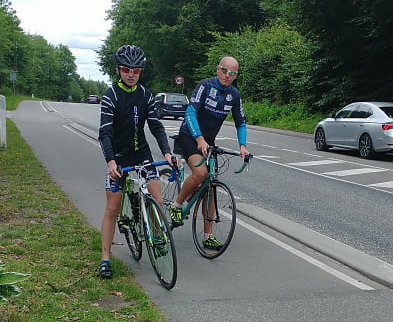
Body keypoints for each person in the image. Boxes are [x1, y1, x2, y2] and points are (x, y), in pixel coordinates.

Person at [98, 45, 173, 279]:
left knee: (157, 199)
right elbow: (105, 133)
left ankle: (157, 236)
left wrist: (167, 153)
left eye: (136, 71)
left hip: (142, 154)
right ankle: (105, 258)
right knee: (112, 209)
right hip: (118, 157)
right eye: (126, 69)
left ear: (141, 72)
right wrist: (111, 162)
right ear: (118, 69)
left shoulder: (146, 95)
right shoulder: (111, 96)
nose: (131, 74)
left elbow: (156, 126)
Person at [169, 56, 249, 250]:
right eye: (224, 70)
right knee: (201, 173)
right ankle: (176, 206)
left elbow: (241, 122)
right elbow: (190, 112)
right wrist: (199, 138)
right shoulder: (205, 86)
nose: (227, 75)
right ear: (217, 69)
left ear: (236, 75)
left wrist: (243, 145)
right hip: (190, 135)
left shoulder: (234, 95)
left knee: (211, 185)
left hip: (208, 141)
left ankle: (208, 235)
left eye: (232, 73)